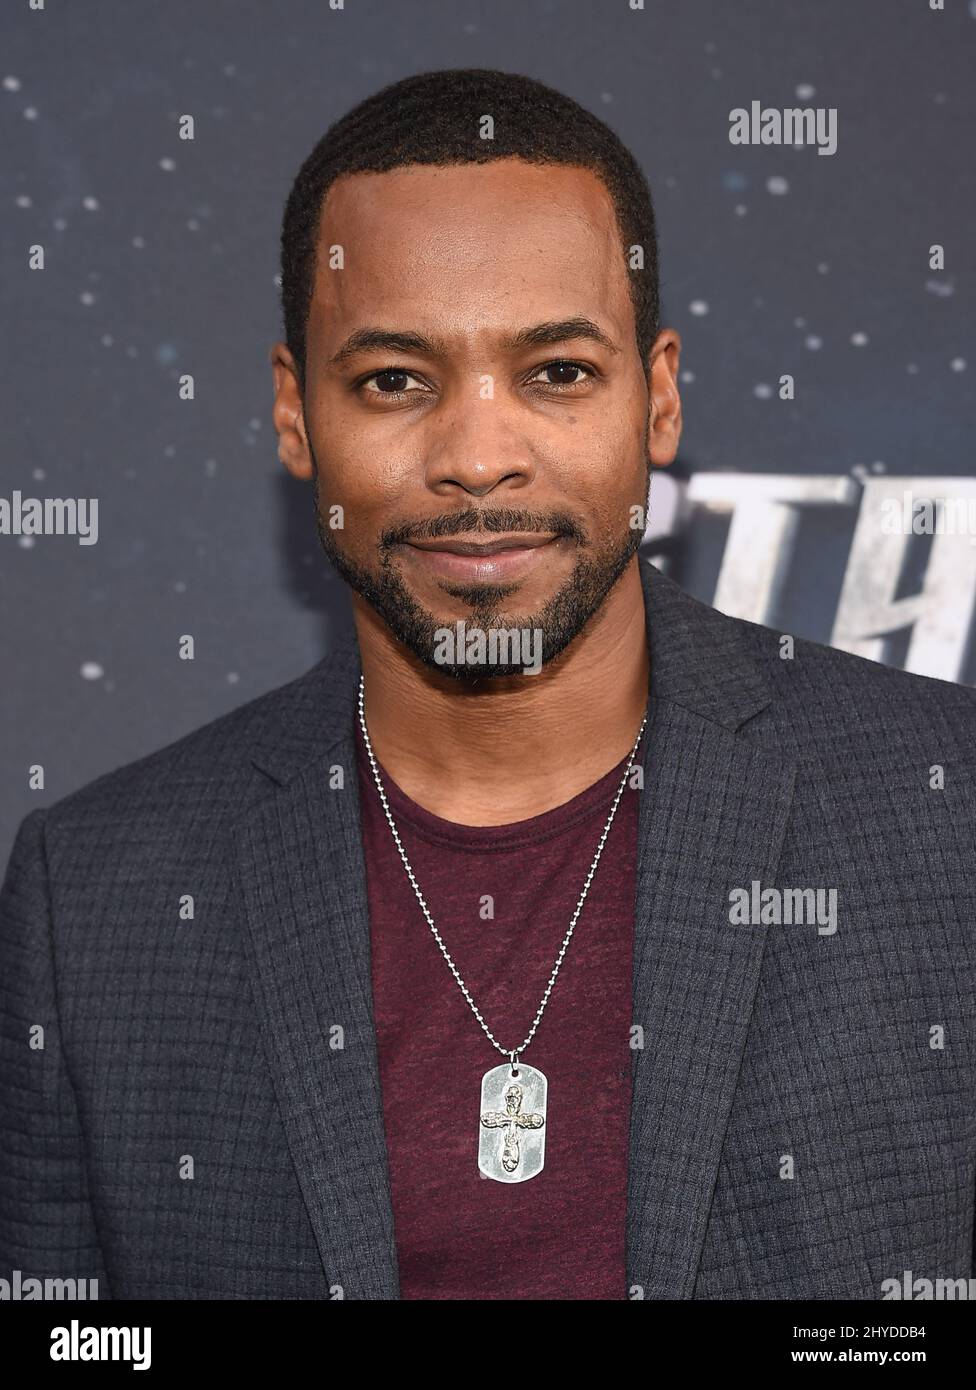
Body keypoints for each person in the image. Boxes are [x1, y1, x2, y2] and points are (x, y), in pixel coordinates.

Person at [2, 68, 974, 1302]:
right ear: (297, 415)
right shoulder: (95, 902)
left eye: (557, 371)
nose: (476, 458)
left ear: (659, 396)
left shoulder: (946, 816)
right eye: (395, 380)